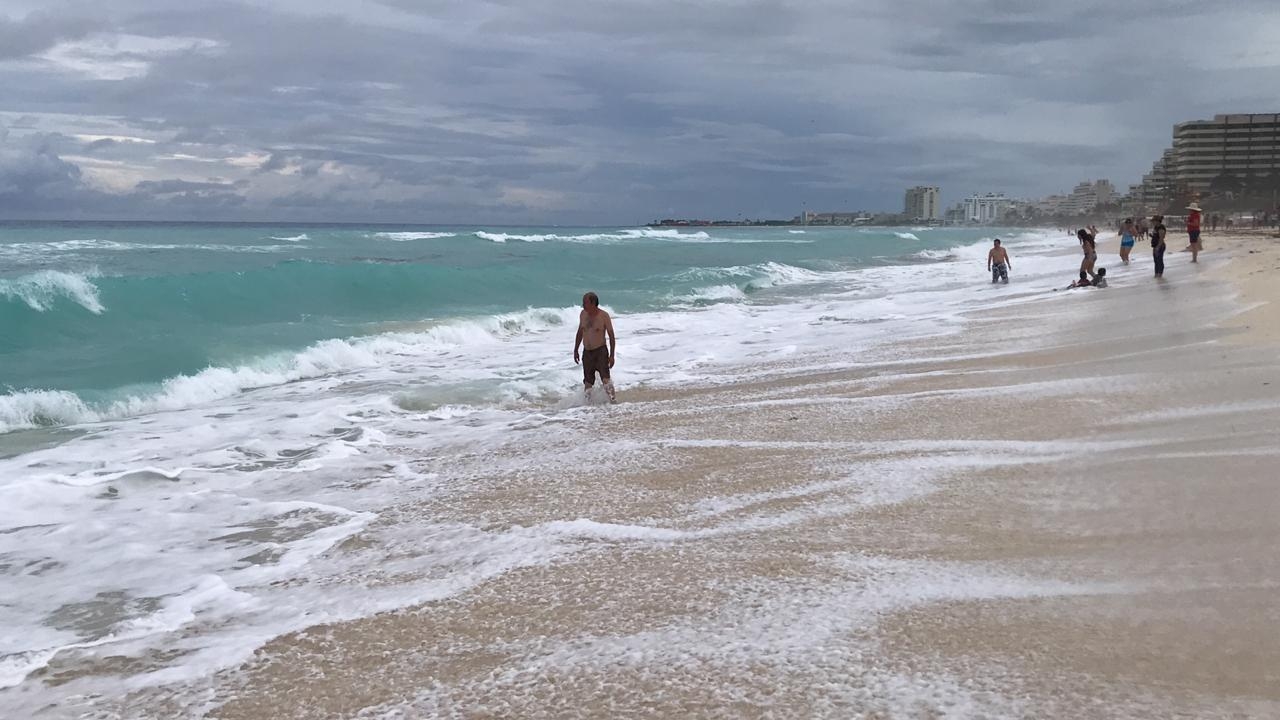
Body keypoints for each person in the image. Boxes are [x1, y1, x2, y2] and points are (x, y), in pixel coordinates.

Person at [573, 291, 616, 402]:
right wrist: (576, 350)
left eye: (585, 302)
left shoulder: (603, 316)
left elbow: (611, 336)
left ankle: (613, 401)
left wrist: (612, 356)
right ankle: (588, 405)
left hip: (601, 351)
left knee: (605, 379)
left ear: (593, 303)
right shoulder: (583, 314)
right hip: (587, 352)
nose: (583, 305)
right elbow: (580, 332)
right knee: (588, 382)